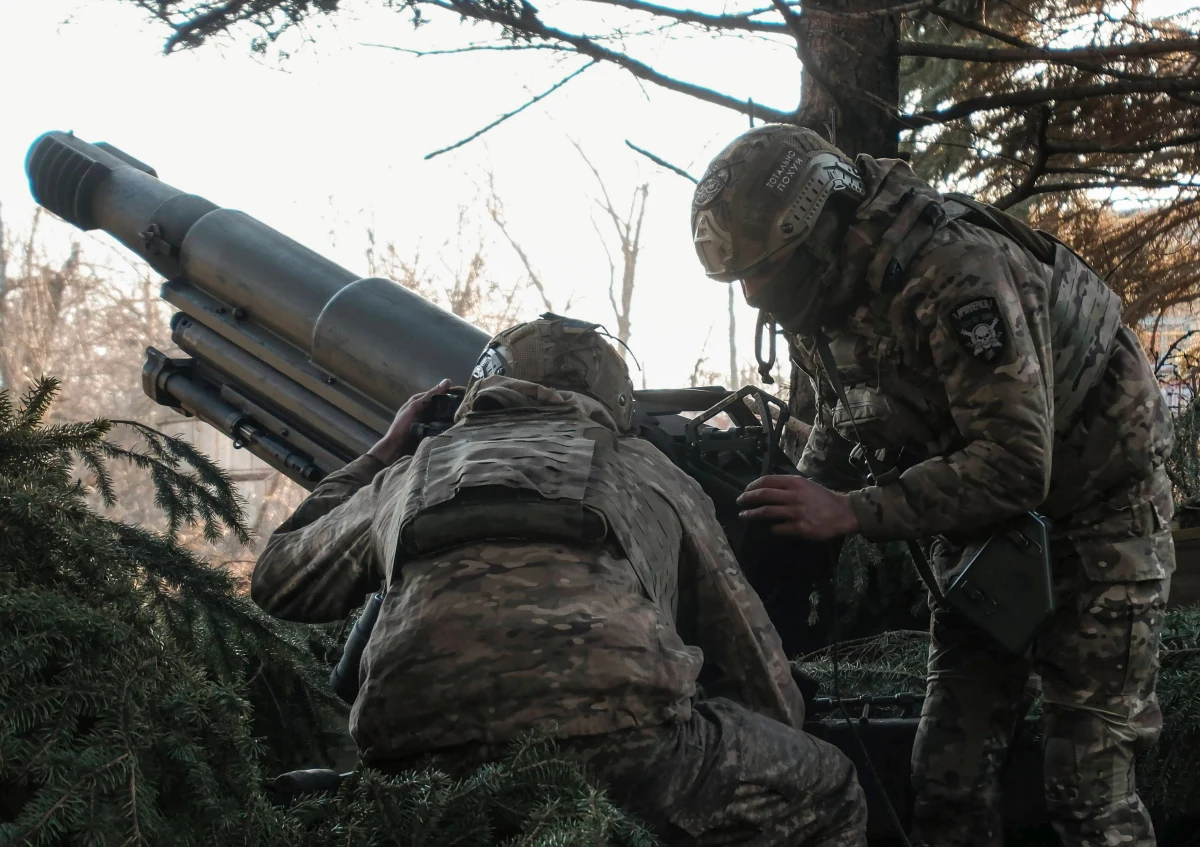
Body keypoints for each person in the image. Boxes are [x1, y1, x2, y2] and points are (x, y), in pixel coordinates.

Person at [690, 124, 1174, 847]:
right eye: (746, 280)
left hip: (1099, 508)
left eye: (771, 271)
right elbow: (842, 411)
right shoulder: (825, 293)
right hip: (988, 531)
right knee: (947, 775)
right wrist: (792, 514)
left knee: (1088, 782)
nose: (758, 296)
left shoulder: (954, 270)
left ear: (820, 225)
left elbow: (1015, 461)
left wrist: (851, 512)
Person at [250, 314, 868, 847]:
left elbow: (280, 580)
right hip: (623, 746)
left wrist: (382, 452)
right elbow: (746, 647)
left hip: (415, 762)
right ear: (615, 396)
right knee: (828, 785)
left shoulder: (412, 471)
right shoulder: (649, 470)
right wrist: (768, 732)